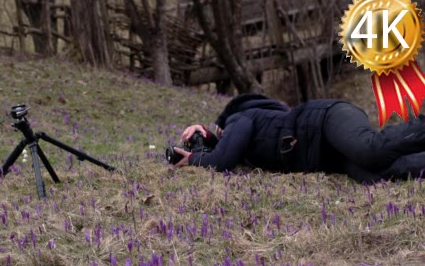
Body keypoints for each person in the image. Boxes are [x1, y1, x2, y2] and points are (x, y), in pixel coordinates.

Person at [172, 94, 425, 182]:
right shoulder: (247, 152)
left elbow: (223, 158)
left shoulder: (240, 118)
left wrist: (194, 158)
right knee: (374, 173)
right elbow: (226, 153)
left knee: (370, 150)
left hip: (327, 118)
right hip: (325, 154)